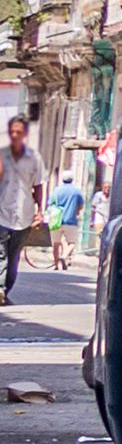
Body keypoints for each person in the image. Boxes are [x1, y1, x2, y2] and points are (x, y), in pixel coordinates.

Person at [0, 119, 41, 305]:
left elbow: (38, 185)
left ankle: (6, 289)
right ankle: (0, 288)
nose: (15, 135)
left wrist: (40, 211)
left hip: (24, 215)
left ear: (24, 134)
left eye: (19, 132)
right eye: (12, 132)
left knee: (14, 255)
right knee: (1, 253)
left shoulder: (34, 158)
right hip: (1, 213)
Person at [46, 170, 82, 271]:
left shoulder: (57, 190)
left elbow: (50, 203)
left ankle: (56, 265)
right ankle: (64, 256)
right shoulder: (76, 191)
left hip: (56, 220)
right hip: (70, 220)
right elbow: (80, 205)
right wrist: (76, 211)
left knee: (56, 244)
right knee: (72, 243)